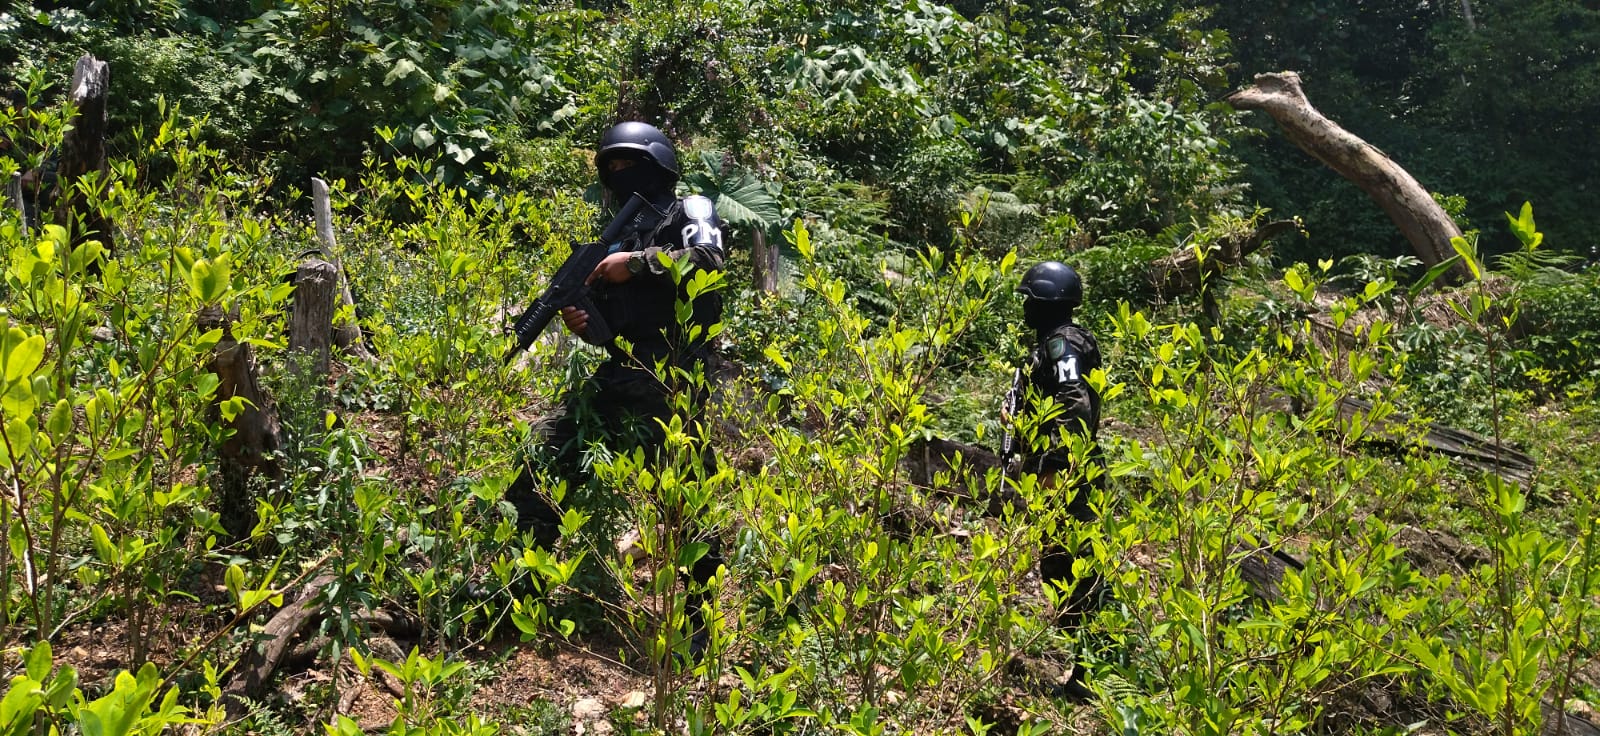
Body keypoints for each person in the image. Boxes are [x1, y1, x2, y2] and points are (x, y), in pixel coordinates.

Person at [502, 120, 727, 656]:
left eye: (630, 165)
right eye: (613, 167)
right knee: (543, 462)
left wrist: (638, 263)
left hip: (673, 379)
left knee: (684, 502)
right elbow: (614, 324)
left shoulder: (690, 210)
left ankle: (701, 623)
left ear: (656, 167)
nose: (621, 174)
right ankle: (520, 596)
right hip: (620, 373)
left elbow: (710, 261)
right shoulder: (617, 237)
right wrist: (587, 321)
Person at [1006, 260, 1105, 695]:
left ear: (1047, 302)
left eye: (1030, 300)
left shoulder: (1063, 345)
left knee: (1076, 571)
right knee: (1059, 569)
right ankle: (1088, 669)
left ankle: (1093, 674)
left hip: (1069, 477)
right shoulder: (1052, 344)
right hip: (1061, 474)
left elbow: (1074, 407)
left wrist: (1053, 468)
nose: (1025, 308)